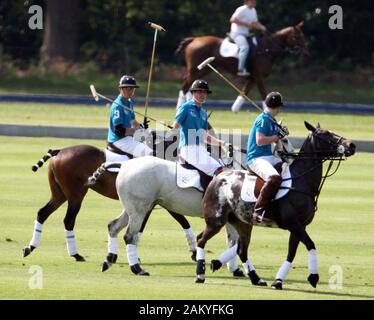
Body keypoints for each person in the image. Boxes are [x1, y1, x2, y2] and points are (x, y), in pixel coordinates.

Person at [246, 91, 289, 223]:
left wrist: (281, 140)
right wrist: (278, 136)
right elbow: (260, 140)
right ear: (278, 107)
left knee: (289, 168)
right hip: (256, 158)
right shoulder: (263, 119)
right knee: (274, 178)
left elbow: (278, 144)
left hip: (268, 157)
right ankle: (257, 212)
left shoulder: (272, 120)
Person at [172, 80, 226, 178]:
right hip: (188, 149)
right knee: (219, 171)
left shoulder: (203, 113)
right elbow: (174, 127)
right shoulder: (185, 107)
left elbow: (206, 137)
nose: (202, 94)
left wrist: (222, 143)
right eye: (199, 91)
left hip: (201, 149)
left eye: (205, 92)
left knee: (224, 168)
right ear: (193, 93)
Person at [107, 75, 153, 157]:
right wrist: (138, 129)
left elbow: (133, 122)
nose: (130, 91)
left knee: (154, 140)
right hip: (118, 140)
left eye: (132, 88)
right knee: (150, 154)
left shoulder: (129, 102)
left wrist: (141, 127)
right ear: (120, 89)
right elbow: (119, 131)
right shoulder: (117, 105)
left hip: (127, 137)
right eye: (127, 88)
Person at [229, 0, 267, 76]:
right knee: (245, 47)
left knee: (257, 46)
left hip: (246, 34)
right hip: (236, 33)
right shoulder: (241, 9)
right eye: (252, 1)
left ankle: (252, 67)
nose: (254, 3)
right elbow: (232, 19)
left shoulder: (253, 10)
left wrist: (262, 27)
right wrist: (245, 24)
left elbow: (255, 23)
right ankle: (240, 69)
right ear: (248, 1)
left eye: (255, 1)